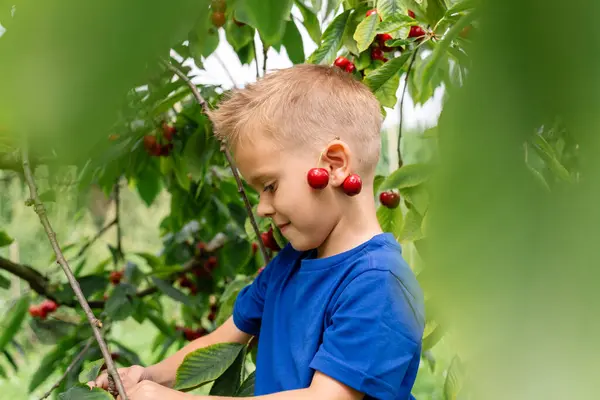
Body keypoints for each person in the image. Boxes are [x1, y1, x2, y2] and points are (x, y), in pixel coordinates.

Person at [88, 63, 425, 399]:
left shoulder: (380, 284)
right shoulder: (289, 265)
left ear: (333, 165)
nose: (262, 207)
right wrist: (147, 377)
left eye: (270, 185)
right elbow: (224, 337)